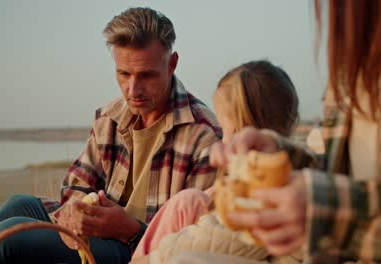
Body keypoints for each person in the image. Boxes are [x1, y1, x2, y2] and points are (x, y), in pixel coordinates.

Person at [0, 7, 221, 264]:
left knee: (9, 239)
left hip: (141, 249)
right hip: (100, 231)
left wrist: (130, 229)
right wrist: (75, 208)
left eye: (147, 75)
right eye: (123, 74)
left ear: (172, 64)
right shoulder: (111, 116)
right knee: (20, 204)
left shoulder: (203, 136)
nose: (133, 90)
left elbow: (195, 242)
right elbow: (77, 184)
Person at [190, 0, 381, 263]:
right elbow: (346, 178)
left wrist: (332, 212)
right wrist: (283, 160)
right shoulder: (357, 56)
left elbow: (340, 200)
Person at [130, 60, 311, 263]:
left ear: (242, 134)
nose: (221, 139)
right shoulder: (298, 172)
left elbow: (214, 240)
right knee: (188, 201)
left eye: (224, 130)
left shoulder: (270, 191)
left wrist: (150, 260)